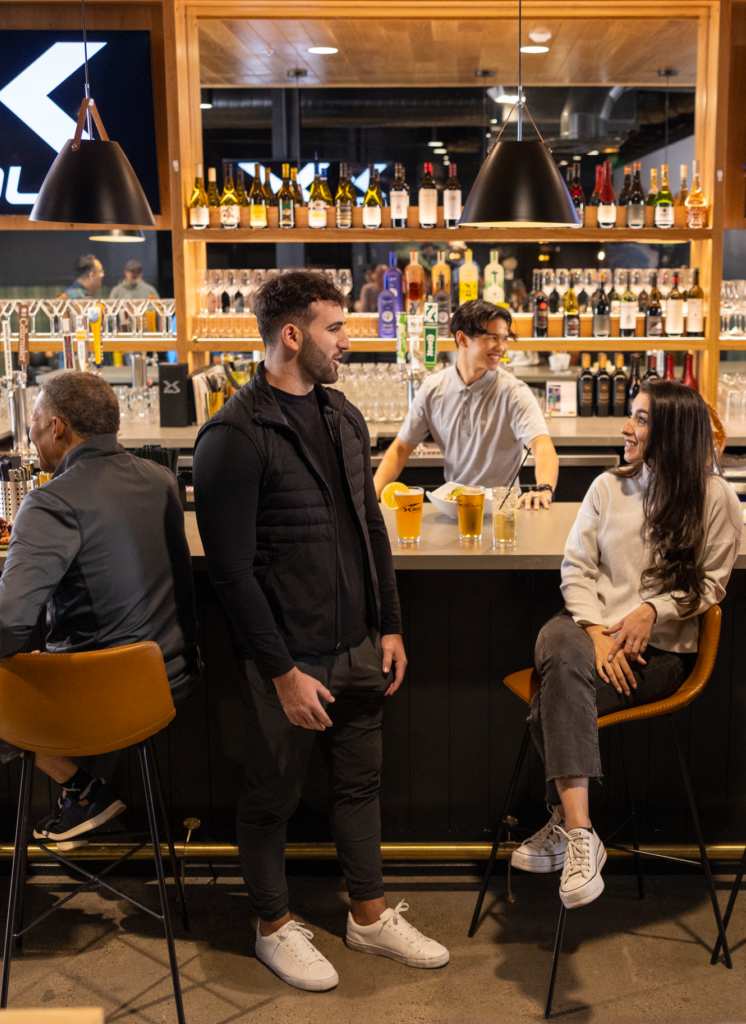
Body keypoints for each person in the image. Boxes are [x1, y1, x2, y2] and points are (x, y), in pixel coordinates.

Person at [192, 270, 447, 991]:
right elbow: (231, 575)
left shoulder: (343, 416)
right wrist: (281, 672)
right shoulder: (233, 435)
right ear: (291, 334)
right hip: (287, 659)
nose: (347, 341)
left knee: (360, 785)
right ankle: (272, 926)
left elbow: (370, 526)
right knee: (271, 794)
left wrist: (390, 625)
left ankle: (368, 917)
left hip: (359, 644)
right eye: (335, 328)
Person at [0, 372, 200, 848]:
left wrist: (25, 662)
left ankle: (80, 787)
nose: (31, 436)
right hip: (169, 683)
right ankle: (85, 790)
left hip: (95, 697)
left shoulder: (50, 501)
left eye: (34, 423)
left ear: (57, 427)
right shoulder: (162, 480)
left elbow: (3, 629)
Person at [512, 380, 743, 909]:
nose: (626, 428)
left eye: (641, 419)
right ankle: (582, 835)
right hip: (586, 633)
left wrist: (652, 610)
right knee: (557, 639)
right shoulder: (607, 487)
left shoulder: (716, 498)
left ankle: (566, 825)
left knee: (552, 698)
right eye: (631, 416)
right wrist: (596, 633)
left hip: (657, 654)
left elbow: (711, 586)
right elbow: (576, 569)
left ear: (673, 431)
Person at [373, 300, 559, 509]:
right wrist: (371, 496)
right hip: (454, 506)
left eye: (505, 339)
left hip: (503, 511)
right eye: (493, 338)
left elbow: (542, 446)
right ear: (462, 338)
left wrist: (544, 489)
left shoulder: (514, 392)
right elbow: (399, 450)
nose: (502, 348)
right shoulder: (432, 389)